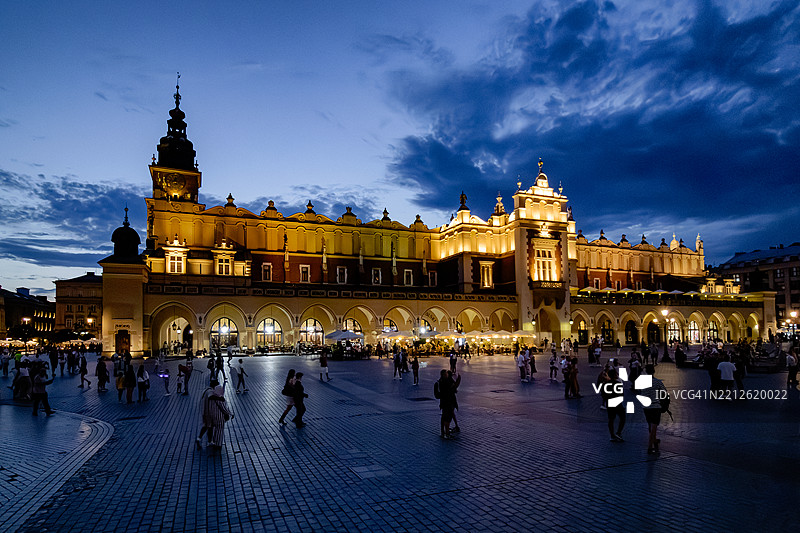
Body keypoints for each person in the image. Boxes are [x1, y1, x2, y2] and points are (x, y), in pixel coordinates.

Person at [639, 364, 668, 454]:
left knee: (650, 425)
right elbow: (664, 392)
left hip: (646, 407)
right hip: (655, 406)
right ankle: (650, 446)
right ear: (653, 371)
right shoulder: (658, 382)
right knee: (654, 426)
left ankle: (654, 440)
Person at [437, 369, 461, 439]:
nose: (447, 375)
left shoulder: (441, 381)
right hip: (448, 402)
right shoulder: (446, 382)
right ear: (444, 375)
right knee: (447, 418)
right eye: (446, 374)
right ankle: (447, 434)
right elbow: (454, 388)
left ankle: (443, 432)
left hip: (443, 402)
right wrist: (459, 379)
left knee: (444, 417)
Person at [196, 379, 219, 449]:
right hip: (208, 412)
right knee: (209, 426)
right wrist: (219, 398)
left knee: (207, 426)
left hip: (205, 411)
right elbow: (211, 396)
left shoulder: (206, 390)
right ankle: (207, 441)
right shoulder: (210, 391)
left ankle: (201, 439)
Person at [604, 369, 625, 441]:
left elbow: (603, 395)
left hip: (610, 403)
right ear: (615, 375)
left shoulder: (605, 384)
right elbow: (621, 395)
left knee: (611, 419)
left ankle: (612, 435)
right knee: (622, 418)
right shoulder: (618, 383)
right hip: (617, 403)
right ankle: (618, 433)